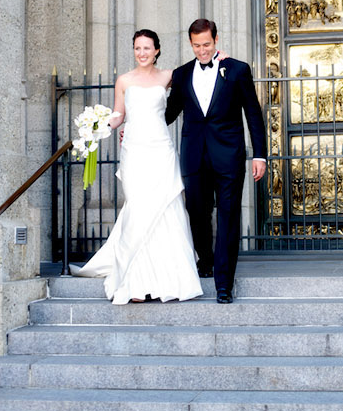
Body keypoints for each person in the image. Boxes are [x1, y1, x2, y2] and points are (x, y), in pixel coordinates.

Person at [71, 29, 203, 304]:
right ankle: (134, 280)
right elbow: (118, 115)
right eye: (137, 48)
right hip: (134, 151)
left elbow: (198, 65)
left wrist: (221, 56)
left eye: (147, 48)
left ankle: (166, 280)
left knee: (166, 207)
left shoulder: (169, 76)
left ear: (157, 50)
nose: (142, 53)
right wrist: (94, 126)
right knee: (139, 209)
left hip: (160, 151)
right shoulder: (124, 80)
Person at [165, 17, 267, 303]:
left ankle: (225, 285)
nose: (202, 51)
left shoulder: (237, 70)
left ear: (216, 41)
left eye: (206, 44)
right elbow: (170, 113)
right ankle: (206, 260)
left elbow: (253, 115)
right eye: (197, 46)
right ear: (191, 44)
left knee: (228, 218)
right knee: (197, 214)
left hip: (229, 157)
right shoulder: (182, 74)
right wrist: (139, 127)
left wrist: (259, 154)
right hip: (194, 156)